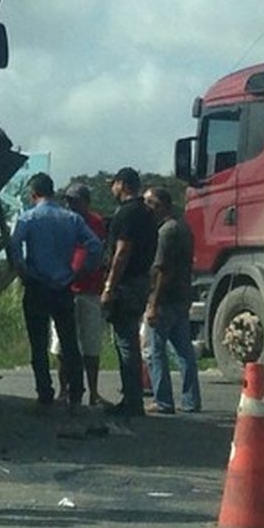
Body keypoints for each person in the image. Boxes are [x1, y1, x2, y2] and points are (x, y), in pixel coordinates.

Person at [9, 173, 102, 411]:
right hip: (63, 286)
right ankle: (76, 394)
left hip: (37, 286)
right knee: (70, 343)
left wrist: (23, 271)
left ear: (33, 194)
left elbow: (14, 247)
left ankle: (45, 393)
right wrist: (80, 272)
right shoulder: (71, 219)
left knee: (38, 345)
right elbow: (95, 246)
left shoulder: (28, 218)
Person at [101, 167, 157, 418]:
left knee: (125, 343)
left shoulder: (127, 214)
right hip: (142, 279)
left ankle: (132, 400)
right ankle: (132, 397)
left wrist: (109, 287)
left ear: (122, 184)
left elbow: (122, 251)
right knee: (130, 339)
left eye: (113, 184)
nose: (112, 188)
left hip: (127, 283)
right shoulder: (147, 213)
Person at [142, 187, 201, 414]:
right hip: (181, 296)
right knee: (183, 351)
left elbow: (162, 269)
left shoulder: (166, 231)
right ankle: (190, 399)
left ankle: (163, 400)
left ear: (161, 205)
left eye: (150, 203)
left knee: (155, 350)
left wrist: (153, 303)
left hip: (165, 298)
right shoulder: (184, 227)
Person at [50, 182, 108, 407]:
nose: (70, 205)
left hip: (90, 288)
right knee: (62, 344)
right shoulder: (62, 221)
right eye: (68, 200)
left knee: (91, 343)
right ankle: (64, 390)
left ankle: (93, 391)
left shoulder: (96, 222)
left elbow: (99, 250)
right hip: (68, 288)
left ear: (86, 202)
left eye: (75, 201)